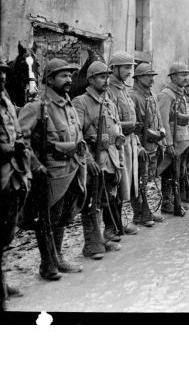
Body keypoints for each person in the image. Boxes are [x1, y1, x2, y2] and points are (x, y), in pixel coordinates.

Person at [19, 58, 87, 280]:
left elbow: (78, 135)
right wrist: (35, 165)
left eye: (70, 75)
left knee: (62, 216)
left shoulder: (69, 105)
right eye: (63, 76)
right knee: (47, 218)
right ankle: (47, 263)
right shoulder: (36, 107)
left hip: (72, 169)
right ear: (49, 79)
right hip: (51, 173)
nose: (69, 80)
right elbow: (20, 142)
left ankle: (57, 256)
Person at [72, 62, 125, 258]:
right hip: (93, 160)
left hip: (109, 158)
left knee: (105, 200)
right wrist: (88, 159)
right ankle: (92, 245)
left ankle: (102, 239)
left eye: (107, 77)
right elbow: (77, 135)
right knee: (91, 202)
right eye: (102, 77)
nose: (106, 81)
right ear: (91, 79)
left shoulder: (109, 102)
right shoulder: (81, 102)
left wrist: (118, 152)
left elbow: (116, 129)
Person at [0, 59, 33, 304]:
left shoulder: (7, 100)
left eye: (4, 73)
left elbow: (17, 130)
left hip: (12, 169)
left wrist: (20, 144)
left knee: (7, 227)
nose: (2, 77)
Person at [106, 51, 140, 237]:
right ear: (115, 68)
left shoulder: (123, 89)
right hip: (117, 144)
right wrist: (131, 125)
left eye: (131, 67)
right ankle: (113, 226)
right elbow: (113, 121)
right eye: (126, 67)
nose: (129, 71)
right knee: (117, 185)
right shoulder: (110, 91)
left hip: (129, 143)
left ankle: (119, 222)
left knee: (125, 186)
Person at [130, 63, 166, 227]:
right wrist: (141, 144)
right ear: (137, 78)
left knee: (148, 179)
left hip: (153, 144)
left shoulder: (150, 95)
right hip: (141, 145)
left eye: (152, 76)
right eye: (147, 76)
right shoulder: (133, 96)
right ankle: (140, 214)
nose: (151, 80)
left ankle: (146, 211)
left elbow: (157, 117)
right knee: (140, 181)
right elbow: (135, 125)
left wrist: (161, 132)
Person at [157, 62, 189, 216]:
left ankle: (174, 200)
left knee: (178, 172)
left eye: (186, 74)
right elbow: (163, 122)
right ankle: (167, 202)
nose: (185, 78)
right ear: (174, 76)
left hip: (182, 140)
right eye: (183, 75)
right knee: (169, 172)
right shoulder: (166, 95)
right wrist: (168, 143)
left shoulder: (180, 93)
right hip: (173, 141)